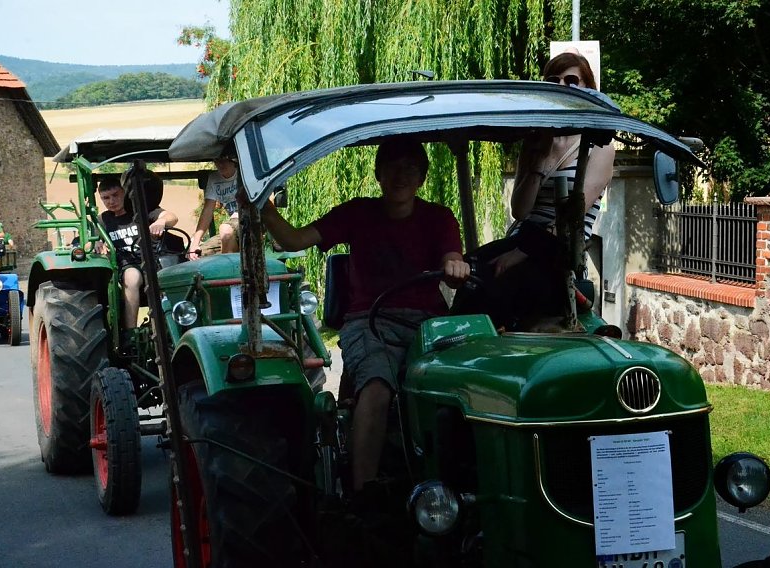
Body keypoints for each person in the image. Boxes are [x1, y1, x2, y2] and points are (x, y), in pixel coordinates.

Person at [261, 138, 470, 499]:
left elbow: (453, 259)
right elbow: (294, 240)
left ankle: (463, 485)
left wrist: (455, 266)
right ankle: (364, 496)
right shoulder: (357, 213)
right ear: (378, 174)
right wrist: (263, 210)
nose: (401, 175)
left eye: (410, 168)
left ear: (422, 177)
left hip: (429, 325)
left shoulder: (439, 217)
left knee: (466, 384)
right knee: (377, 384)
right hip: (370, 321)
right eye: (392, 167)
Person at [456, 52, 616, 329]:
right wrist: (541, 161)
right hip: (524, 234)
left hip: (560, 248)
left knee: (506, 281)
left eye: (571, 80)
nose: (562, 86)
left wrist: (523, 252)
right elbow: (520, 210)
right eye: (553, 80)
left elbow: (573, 216)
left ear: (587, 88)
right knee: (472, 269)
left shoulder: (599, 147)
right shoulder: (534, 143)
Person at [95, 175, 178, 353]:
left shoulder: (141, 210)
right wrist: (96, 244)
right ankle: (130, 334)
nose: (111, 201)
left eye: (115, 195)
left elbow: (172, 217)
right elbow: (87, 241)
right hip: (128, 264)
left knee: (168, 275)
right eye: (106, 198)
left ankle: (173, 326)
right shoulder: (103, 220)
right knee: (132, 278)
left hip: (152, 262)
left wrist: (161, 221)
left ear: (124, 193)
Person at [187, 157, 239, 259]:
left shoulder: (243, 174)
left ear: (233, 160)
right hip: (232, 225)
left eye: (224, 160)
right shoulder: (214, 178)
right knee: (197, 255)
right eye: (217, 160)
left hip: (248, 221)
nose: (220, 164)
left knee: (226, 230)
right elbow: (207, 211)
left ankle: (229, 268)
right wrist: (195, 243)